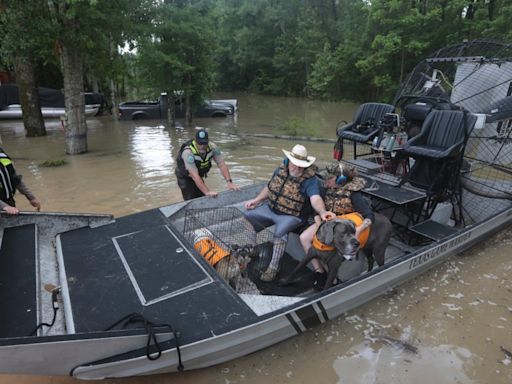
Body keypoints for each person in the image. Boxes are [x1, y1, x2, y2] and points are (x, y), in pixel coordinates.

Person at [244, 144, 334, 282]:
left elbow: (315, 198)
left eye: (300, 165)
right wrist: (256, 200)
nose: (296, 168)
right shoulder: (280, 170)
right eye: (294, 164)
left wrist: (322, 211)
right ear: (289, 160)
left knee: (281, 232)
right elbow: (270, 188)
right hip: (271, 209)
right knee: (248, 216)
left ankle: (274, 267)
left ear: (305, 165)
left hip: (292, 216)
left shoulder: (310, 180)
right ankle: (252, 249)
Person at [300, 160, 374, 290]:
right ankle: (319, 271)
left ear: (340, 180)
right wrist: (319, 225)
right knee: (304, 238)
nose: (325, 182)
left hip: (343, 230)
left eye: (329, 179)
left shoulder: (353, 194)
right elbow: (315, 211)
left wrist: (358, 230)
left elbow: (369, 216)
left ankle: (333, 279)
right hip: (326, 224)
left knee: (329, 248)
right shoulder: (325, 189)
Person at [175, 128, 240, 200]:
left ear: (208, 141)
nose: (202, 146)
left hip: (198, 174)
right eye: (200, 143)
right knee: (191, 198)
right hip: (185, 176)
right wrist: (207, 192)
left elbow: (222, 164)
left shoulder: (213, 147)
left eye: (204, 143)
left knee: (202, 196)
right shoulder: (188, 152)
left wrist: (229, 182)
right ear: (195, 140)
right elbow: (194, 175)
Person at [0, 147, 41, 215]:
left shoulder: (2, 156)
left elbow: (15, 179)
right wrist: (5, 206)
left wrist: (31, 197)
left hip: (9, 202)